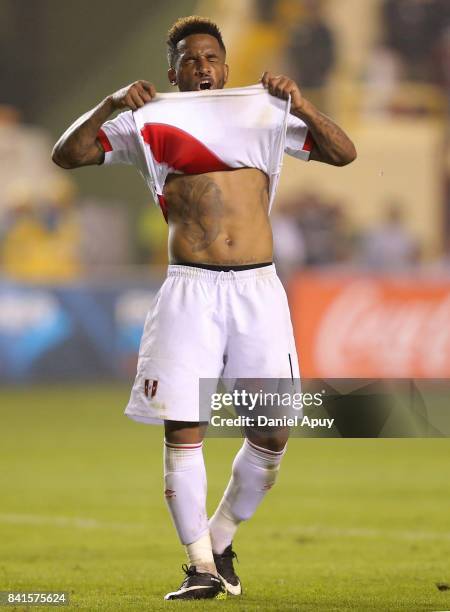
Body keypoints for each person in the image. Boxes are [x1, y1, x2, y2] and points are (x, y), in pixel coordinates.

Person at [52, 15, 356, 601]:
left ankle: (219, 540)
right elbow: (69, 155)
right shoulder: (148, 118)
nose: (202, 69)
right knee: (185, 431)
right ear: (174, 71)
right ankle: (198, 568)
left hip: (258, 292)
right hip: (190, 290)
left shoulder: (265, 111)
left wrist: (302, 102)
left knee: (272, 433)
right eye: (190, 60)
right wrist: (109, 102)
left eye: (211, 58)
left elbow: (343, 153)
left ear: (226, 65)